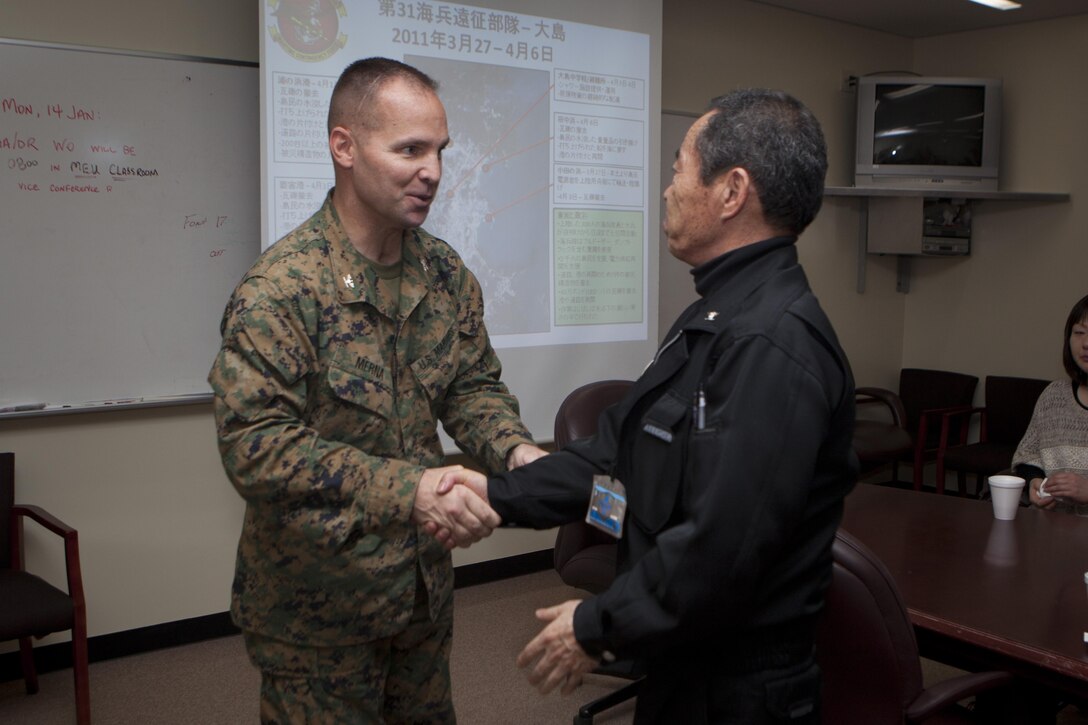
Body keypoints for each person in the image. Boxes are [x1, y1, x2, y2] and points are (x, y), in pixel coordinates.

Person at [436, 89, 857, 723]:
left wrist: (596, 623)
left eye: (679, 168)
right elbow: (614, 456)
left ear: (731, 190)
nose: (667, 189)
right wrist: (494, 495)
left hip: (741, 692)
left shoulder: (773, 344)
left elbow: (723, 549)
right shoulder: (713, 318)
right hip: (685, 666)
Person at [208, 57, 544, 723]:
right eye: (410, 149)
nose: (434, 172)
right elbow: (258, 447)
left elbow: (472, 387)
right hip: (318, 612)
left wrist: (515, 452)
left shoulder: (445, 273)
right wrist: (411, 488)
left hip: (419, 594)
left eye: (440, 151)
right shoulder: (281, 288)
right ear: (345, 147)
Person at [1016, 293, 1088, 514]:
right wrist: (1034, 482)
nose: (1086, 343)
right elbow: (1028, 455)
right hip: (1051, 533)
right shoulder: (1053, 396)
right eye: (1079, 333)